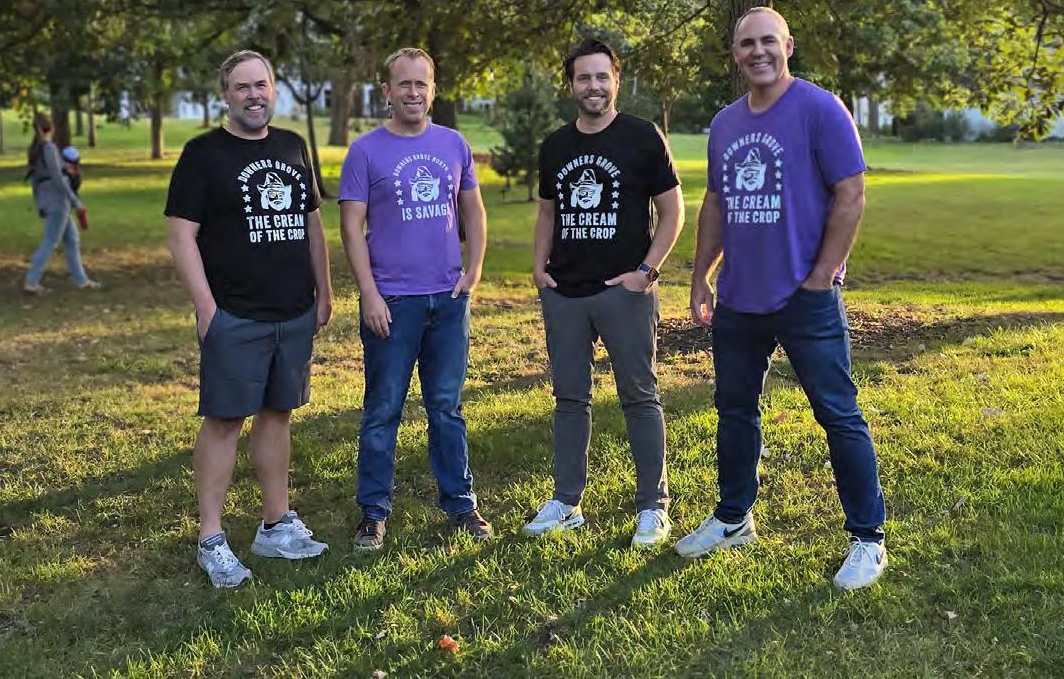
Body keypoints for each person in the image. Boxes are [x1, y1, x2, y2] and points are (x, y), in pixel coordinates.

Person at [677, 7, 888, 591]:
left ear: (788, 45)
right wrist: (701, 276)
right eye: (747, 44)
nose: (758, 52)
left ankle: (868, 538)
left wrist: (821, 276)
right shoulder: (725, 123)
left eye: (768, 41)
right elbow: (716, 203)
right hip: (740, 299)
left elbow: (851, 194)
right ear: (735, 54)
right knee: (734, 410)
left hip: (805, 297)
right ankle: (733, 518)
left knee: (837, 413)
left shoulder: (820, 109)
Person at [165, 49, 334, 588]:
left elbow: (311, 224)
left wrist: (324, 292)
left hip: (294, 310)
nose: (253, 95)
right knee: (223, 420)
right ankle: (211, 538)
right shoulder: (202, 154)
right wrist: (206, 306)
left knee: (278, 413)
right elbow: (181, 235)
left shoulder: (292, 145)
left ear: (273, 89)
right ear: (226, 95)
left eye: (261, 85)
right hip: (235, 314)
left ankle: (275, 524)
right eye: (242, 87)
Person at [524, 38, 685, 548]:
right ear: (570, 85)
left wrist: (647, 272)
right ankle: (567, 502)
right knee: (570, 398)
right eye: (583, 78)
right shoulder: (555, 145)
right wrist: (539, 269)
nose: (593, 86)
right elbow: (548, 212)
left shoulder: (642, 136)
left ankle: (653, 507)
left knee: (640, 396)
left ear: (616, 80)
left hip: (625, 291)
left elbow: (673, 211)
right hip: (565, 293)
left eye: (601, 76)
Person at [339, 47, 492, 550]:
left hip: (447, 301)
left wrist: (473, 271)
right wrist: (369, 294)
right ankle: (373, 512)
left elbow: (473, 211)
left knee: (446, 408)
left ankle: (461, 504)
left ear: (433, 90)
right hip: (392, 303)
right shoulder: (365, 151)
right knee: (383, 409)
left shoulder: (453, 144)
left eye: (421, 83)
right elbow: (351, 227)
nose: (412, 92)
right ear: (387, 91)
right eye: (403, 84)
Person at [23, 113, 97, 293]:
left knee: (72, 239)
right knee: (50, 241)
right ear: (51, 128)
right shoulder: (48, 148)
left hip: (48, 199)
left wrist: (40, 203)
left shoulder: (35, 150)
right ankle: (31, 281)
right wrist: (75, 202)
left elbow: (34, 180)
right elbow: (58, 178)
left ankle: (80, 279)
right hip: (58, 200)